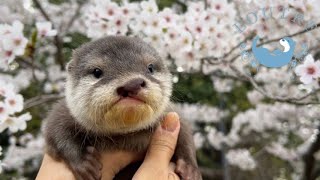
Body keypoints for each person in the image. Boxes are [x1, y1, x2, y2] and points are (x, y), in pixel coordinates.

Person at [36, 112, 181, 180]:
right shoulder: (70, 117)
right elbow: (56, 130)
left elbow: (182, 132)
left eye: (149, 69)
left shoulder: (161, 112)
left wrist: (187, 162)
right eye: (98, 73)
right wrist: (76, 159)